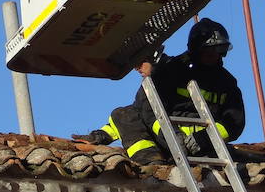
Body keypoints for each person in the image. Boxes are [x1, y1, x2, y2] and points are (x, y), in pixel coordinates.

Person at [73, 18, 245, 165]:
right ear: (196, 49)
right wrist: (101, 136)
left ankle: (151, 163)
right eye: (210, 50)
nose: (215, 55)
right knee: (123, 113)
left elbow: (234, 123)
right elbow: (145, 110)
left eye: (219, 50)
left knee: (125, 113)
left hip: (203, 147)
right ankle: (152, 164)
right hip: (168, 140)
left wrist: (203, 139)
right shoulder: (172, 71)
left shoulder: (226, 83)